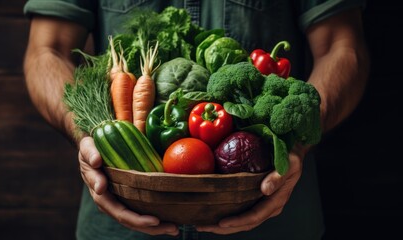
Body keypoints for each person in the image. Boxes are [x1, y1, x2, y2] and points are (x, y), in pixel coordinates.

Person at [22, 0, 370, 239]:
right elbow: (46, 50)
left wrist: (297, 141)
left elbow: (343, 47)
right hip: (118, 223)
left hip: (276, 220)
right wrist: (86, 133)